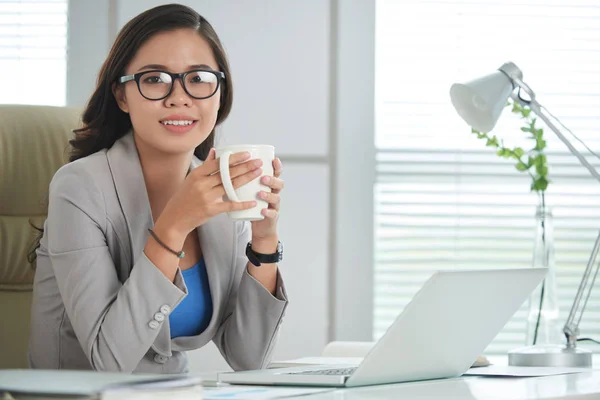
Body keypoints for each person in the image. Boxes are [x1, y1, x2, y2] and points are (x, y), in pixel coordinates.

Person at [28, 3, 287, 374]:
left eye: (198, 78)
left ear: (220, 92)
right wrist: (174, 226)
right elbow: (108, 359)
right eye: (154, 79)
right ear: (122, 96)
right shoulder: (79, 187)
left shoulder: (222, 189)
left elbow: (249, 359)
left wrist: (264, 244)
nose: (179, 96)